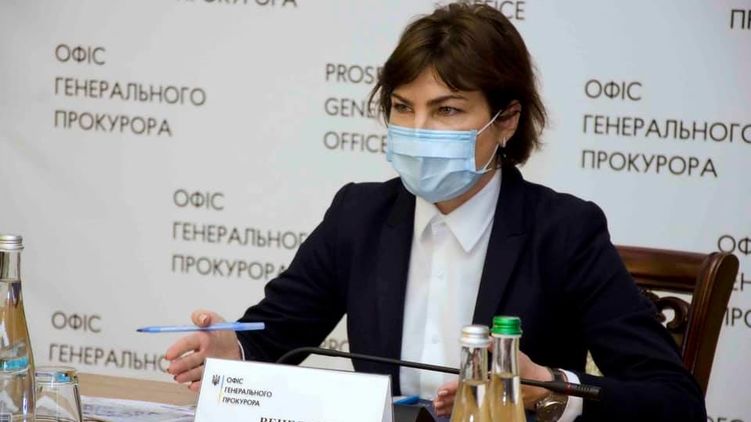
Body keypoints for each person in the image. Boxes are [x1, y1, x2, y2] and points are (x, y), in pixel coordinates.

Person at [165, 3, 706, 421]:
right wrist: (232, 349)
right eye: (403, 108)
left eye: (446, 110)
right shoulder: (359, 215)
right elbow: (273, 337)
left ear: (506, 120)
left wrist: (549, 388)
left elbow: (675, 402)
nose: (418, 130)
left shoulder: (564, 232)